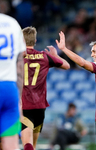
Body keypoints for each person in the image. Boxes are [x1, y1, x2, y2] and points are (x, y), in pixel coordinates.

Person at [20, 27, 70, 150]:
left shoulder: (18, 57)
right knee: (33, 145)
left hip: (24, 105)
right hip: (40, 106)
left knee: (27, 144)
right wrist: (55, 55)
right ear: (35, 41)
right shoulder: (45, 56)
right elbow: (67, 65)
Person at [0, 13, 26, 149]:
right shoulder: (12, 23)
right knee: (11, 145)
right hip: (9, 88)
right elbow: (20, 66)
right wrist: (19, 100)